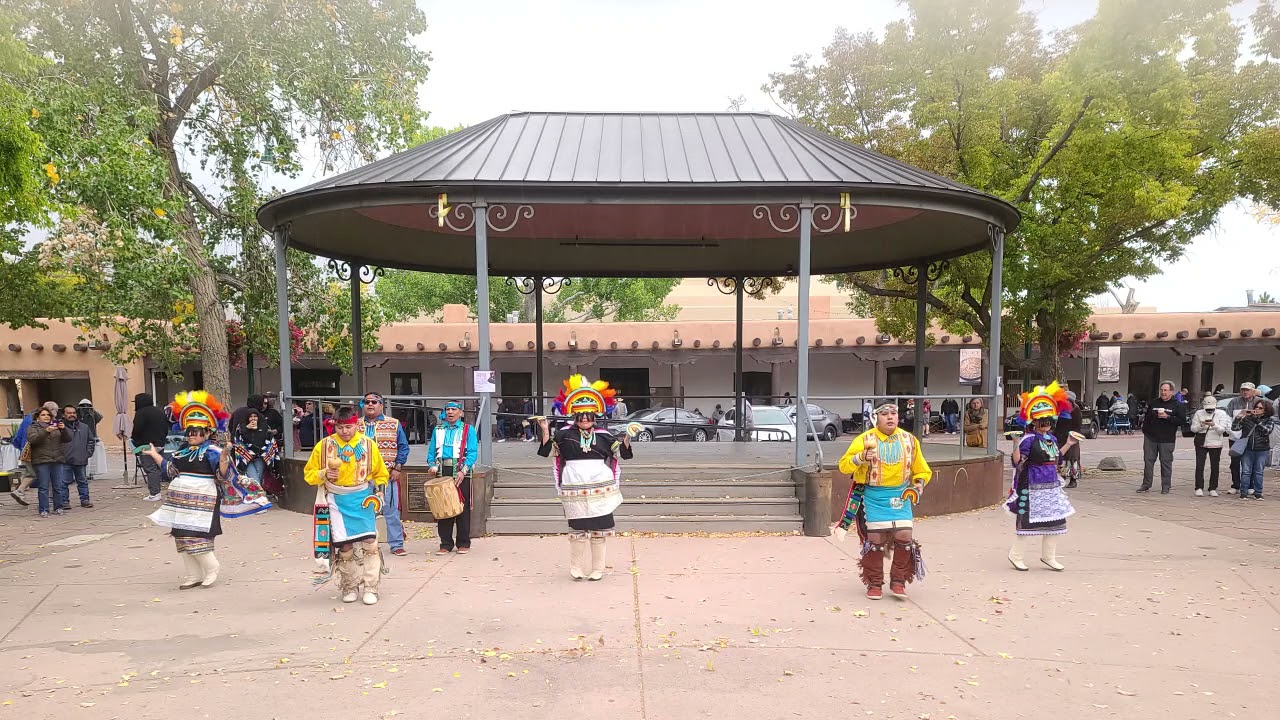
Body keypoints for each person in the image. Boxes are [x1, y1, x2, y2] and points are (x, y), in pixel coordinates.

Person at [536, 374, 633, 581]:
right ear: (574, 416)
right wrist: (545, 429)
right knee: (577, 528)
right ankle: (576, 567)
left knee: (599, 528)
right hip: (574, 484)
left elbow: (623, 455)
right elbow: (546, 452)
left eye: (589, 415)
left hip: (600, 485)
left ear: (595, 414)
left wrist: (628, 437)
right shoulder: (563, 435)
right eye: (581, 416)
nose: (585, 419)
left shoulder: (605, 435)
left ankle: (598, 568)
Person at [834, 403, 932, 600]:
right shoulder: (864, 439)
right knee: (875, 541)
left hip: (900, 495)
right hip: (873, 496)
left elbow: (921, 469)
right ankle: (874, 583)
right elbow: (843, 466)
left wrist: (919, 483)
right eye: (885, 414)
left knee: (905, 537)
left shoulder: (910, 440)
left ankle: (899, 582)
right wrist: (860, 457)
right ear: (875, 419)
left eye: (893, 414)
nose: (890, 417)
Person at [142, 391, 238, 589]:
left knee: (196, 535)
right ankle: (193, 574)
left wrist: (224, 459)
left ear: (207, 433)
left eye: (197, 431)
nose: (192, 435)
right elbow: (170, 470)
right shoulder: (181, 452)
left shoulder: (213, 452)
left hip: (204, 502)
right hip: (181, 503)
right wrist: (154, 454)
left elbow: (222, 476)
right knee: (181, 536)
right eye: (190, 431)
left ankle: (212, 568)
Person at [303, 405, 389, 605]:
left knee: (370, 543)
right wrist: (324, 474)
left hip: (362, 498)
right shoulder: (324, 446)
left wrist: (380, 492)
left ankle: (371, 587)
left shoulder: (368, 445)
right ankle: (350, 585)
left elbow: (380, 473)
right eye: (340, 427)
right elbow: (309, 474)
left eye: (348, 427)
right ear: (335, 426)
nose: (344, 431)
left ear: (356, 425)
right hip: (336, 499)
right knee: (345, 546)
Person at [1006, 382, 1076, 571]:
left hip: (1051, 487)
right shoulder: (1028, 440)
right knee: (1026, 522)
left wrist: (1069, 443)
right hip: (1031, 486)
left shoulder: (1052, 439)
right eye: (1042, 420)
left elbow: (1057, 459)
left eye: (1048, 420)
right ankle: (1016, 555)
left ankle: (1048, 556)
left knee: (1056, 521)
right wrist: (1014, 444)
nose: (1046, 423)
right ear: (1033, 421)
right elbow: (1018, 462)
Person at [426, 401, 478, 555]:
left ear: (460, 413)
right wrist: (431, 463)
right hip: (442, 469)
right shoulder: (438, 429)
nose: (450, 412)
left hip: (462, 469)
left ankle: (463, 542)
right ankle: (445, 543)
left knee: (462, 506)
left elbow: (473, 452)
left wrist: (463, 470)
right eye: (447, 409)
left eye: (454, 409)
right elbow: (431, 450)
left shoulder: (468, 430)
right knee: (442, 505)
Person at [361, 392, 410, 556]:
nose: (370, 405)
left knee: (391, 510)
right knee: (364, 511)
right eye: (366, 402)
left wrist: (397, 468)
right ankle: (367, 545)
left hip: (387, 475)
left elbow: (403, 447)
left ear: (381, 405)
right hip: (362, 478)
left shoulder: (393, 424)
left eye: (374, 402)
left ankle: (396, 544)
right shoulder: (355, 425)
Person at [1138, 381, 1186, 494]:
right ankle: (1146, 484)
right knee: (1148, 461)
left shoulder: (1178, 405)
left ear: (1171, 392)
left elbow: (1182, 421)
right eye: (1162, 390)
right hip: (1151, 438)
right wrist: (1146, 431)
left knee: (1166, 462)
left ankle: (1165, 486)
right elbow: (1147, 418)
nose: (1163, 392)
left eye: (1165, 390)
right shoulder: (1154, 403)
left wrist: (1168, 417)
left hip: (1167, 439)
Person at [224, 411, 273, 517]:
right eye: (251, 417)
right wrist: (246, 429)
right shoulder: (241, 428)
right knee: (254, 479)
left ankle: (258, 501)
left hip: (260, 457)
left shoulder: (264, 427)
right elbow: (239, 441)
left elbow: (267, 440)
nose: (253, 419)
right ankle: (260, 503)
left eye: (255, 417)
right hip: (247, 458)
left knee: (258, 478)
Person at [26, 405, 69, 518]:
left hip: (57, 459)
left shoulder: (55, 426)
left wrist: (64, 429)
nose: (46, 417)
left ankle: (58, 507)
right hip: (42, 460)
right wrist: (45, 431)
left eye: (48, 415)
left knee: (58, 485)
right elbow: (33, 440)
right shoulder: (33, 427)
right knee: (44, 486)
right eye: (43, 415)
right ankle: (44, 509)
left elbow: (68, 439)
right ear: (38, 417)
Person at [131, 393, 171, 502]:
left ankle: (155, 493)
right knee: (158, 467)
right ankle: (158, 491)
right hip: (160, 444)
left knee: (150, 469)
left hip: (146, 445)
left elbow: (137, 429)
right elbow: (166, 427)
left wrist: (135, 441)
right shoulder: (159, 411)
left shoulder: (141, 413)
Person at [1232, 397, 1274, 500]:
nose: (1257, 409)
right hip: (1248, 448)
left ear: (1266, 410)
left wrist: (1257, 421)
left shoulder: (1269, 420)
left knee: (1259, 471)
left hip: (1262, 449)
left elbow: (1266, 431)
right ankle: (1244, 492)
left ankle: (1258, 492)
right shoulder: (1247, 418)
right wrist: (1238, 418)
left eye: (1260, 408)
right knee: (1246, 471)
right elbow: (1235, 428)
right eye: (1256, 407)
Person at [1190, 396, 1230, 496]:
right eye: (1207, 408)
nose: (1209, 411)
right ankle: (1199, 487)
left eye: (1211, 409)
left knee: (1215, 466)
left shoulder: (1221, 413)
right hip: (1201, 442)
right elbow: (1193, 429)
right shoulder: (1199, 413)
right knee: (1199, 465)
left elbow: (1222, 430)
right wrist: (1201, 425)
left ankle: (1213, 487)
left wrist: (1213, 425)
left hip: (1216, 442)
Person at [57, 404, 95, 510]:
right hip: (65, 459)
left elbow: (91, 440)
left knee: (82, 481)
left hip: (81, 458)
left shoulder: (84, 427)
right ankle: (64, 501)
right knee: (63, 482)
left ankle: (85, 500)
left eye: (73, 413)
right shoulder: (59, 428)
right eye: (69, 413)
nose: (72, 415)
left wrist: (88, 453)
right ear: (64, 415)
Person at [1225, 382, 1260, 493]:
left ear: (1253, 391)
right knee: (1235, 462)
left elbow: (1265, 416)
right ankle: (1235, 485)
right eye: (1243, 390)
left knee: (1249, 463)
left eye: (1248, 390)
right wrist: (1232, 431)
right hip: (1235, 437)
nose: (1245, 392)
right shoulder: (1234, 402)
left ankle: (1250, 485)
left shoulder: (1258, 402)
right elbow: (1227, 418)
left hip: (1251, 437)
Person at [8, 402, 43, 506]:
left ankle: (20, 492)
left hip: (25, 452)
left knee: (30, 473)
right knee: (35, 474)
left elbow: (17, 438)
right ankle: (19, 491)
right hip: (34, 452)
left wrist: (22, 449)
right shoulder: (36, 423)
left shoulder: (26, 419)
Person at [1053, 392, 1083, 488]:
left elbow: (1078, 425)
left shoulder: (1076, 410)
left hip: (1071, 436)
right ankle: (1063, 477)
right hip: (1060, 436)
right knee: (1062, 458)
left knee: (1072, 458)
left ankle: (1073, 479)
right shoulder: (1061, 409)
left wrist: (1073, 435)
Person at [76, 399, 106, 479]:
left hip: (92, 437)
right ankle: (84, 473)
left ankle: (90, 473)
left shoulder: (93, 414)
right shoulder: (77, 414)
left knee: (92, 457)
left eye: (87, 406)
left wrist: (92, 410)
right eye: (83, 406)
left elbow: (99, 417)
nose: (85, 408)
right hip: (80, 437)